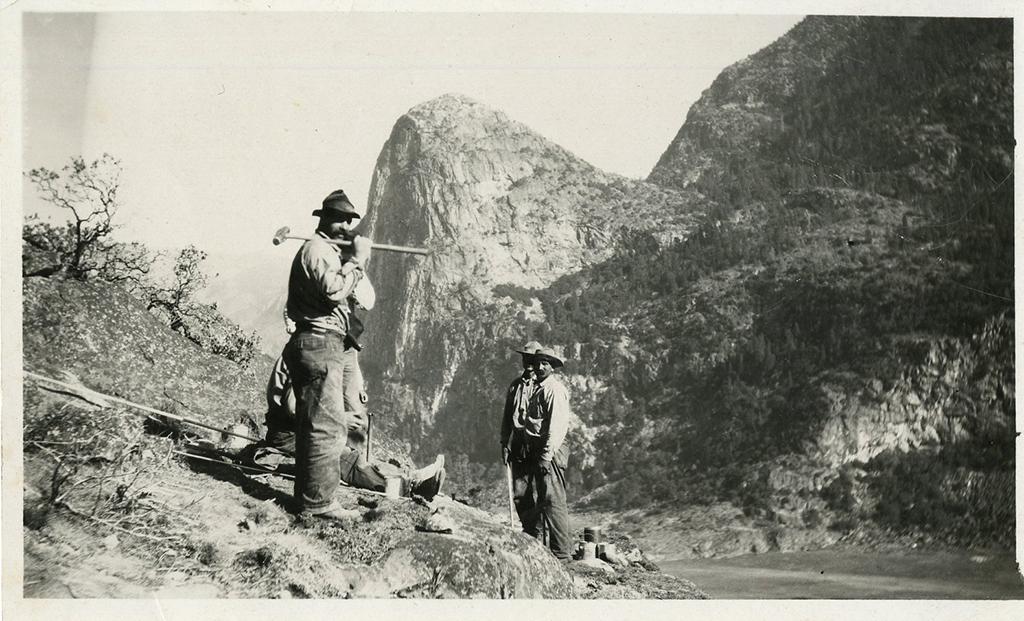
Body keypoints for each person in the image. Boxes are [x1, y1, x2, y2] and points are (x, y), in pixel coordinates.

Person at [281, 188, 442, 520]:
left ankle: (313, 499)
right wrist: (357, 260)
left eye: (349, 221)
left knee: (323, 425)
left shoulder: (324, 251)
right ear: (323, 218)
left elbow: (360, 297)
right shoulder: (317, 251)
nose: (345, 226)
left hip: (323, 342)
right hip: (319, 341)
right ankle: (319, 504)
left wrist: (351, 261)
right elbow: (334, 290)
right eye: (338, 219)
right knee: (326, 427)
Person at [253, 354, 444, 499]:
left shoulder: (303, 349)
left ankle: (406, 477)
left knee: (350, 453)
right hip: (290, 435)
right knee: (345, 459)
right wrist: (341, 418)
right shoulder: (304, 356)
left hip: (297, 430)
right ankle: (409, 488)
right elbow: (294, 409)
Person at [504, 344, 572, 560]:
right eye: (530, 359)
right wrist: (505, 442)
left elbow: (556, 428)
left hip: (547, 448)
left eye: (542, 362)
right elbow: (509, 416)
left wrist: (545, 455)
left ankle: (561, 554)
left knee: (551, 499)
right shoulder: (519, 386)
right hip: (525, 445)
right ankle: (534, 540)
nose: (533, 364)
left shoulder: (551, 389)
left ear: (551, 366)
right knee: (522, 494)